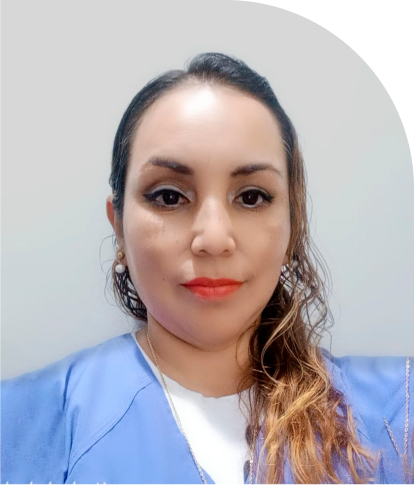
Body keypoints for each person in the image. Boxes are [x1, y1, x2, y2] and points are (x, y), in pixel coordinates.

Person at [1, 52, 413, 484]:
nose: (214, 238)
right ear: (118, 227)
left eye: (252, 197)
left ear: (293, 228)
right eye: (169, 196)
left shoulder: (398, 415)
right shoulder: (19, 426)